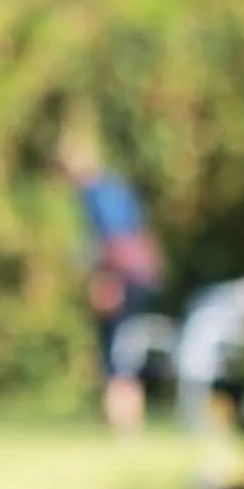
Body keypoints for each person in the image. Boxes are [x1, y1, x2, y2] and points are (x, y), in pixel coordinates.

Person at [61, 138, 165, 431]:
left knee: (117, 352)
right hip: (135, 277)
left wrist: (108, 281)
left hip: (121, 278)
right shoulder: (114, 188)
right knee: (123, 348)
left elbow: (114, 241)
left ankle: (123, 422)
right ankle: (122, 421)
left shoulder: (98, 195)